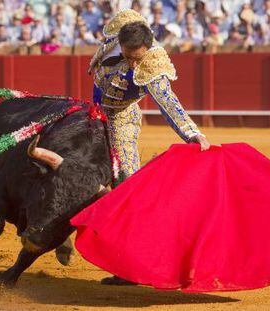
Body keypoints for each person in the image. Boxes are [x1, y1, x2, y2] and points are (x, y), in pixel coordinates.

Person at [88, 9, 210, 285]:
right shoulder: (119, 30)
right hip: (92, 115)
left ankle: (130, 265)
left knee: (129, 187)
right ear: (120, 42)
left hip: (121, 120)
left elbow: (169, 103)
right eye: (129, 57)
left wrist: (192, 133)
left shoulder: (152, 65)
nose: (133, 64)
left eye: (137, 58)